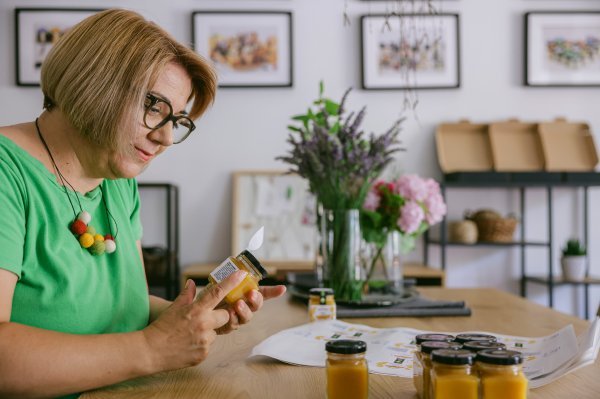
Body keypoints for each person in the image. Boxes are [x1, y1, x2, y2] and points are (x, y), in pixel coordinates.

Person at [0, 9, 286, 399]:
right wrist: (154, 348)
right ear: (93, 82)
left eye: (178, 120)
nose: (166, 137)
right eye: (154, 106)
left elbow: (123, 307)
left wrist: (193, 316)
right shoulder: (6, 174)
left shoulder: (116, 177)